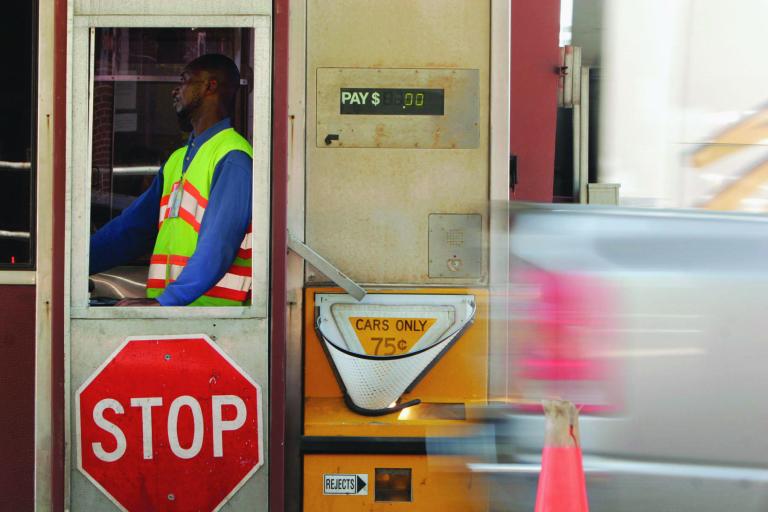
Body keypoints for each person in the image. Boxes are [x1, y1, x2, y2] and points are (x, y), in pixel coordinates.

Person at [89, 54, 253, 307]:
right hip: (174, 317)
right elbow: (132, 229)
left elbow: (219, 244)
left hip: (217, 322)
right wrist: (71, 265)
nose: (175, 90)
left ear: (210, 86)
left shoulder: (233, 157)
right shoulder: (178, 159)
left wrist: (168, 302)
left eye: (184, 81)